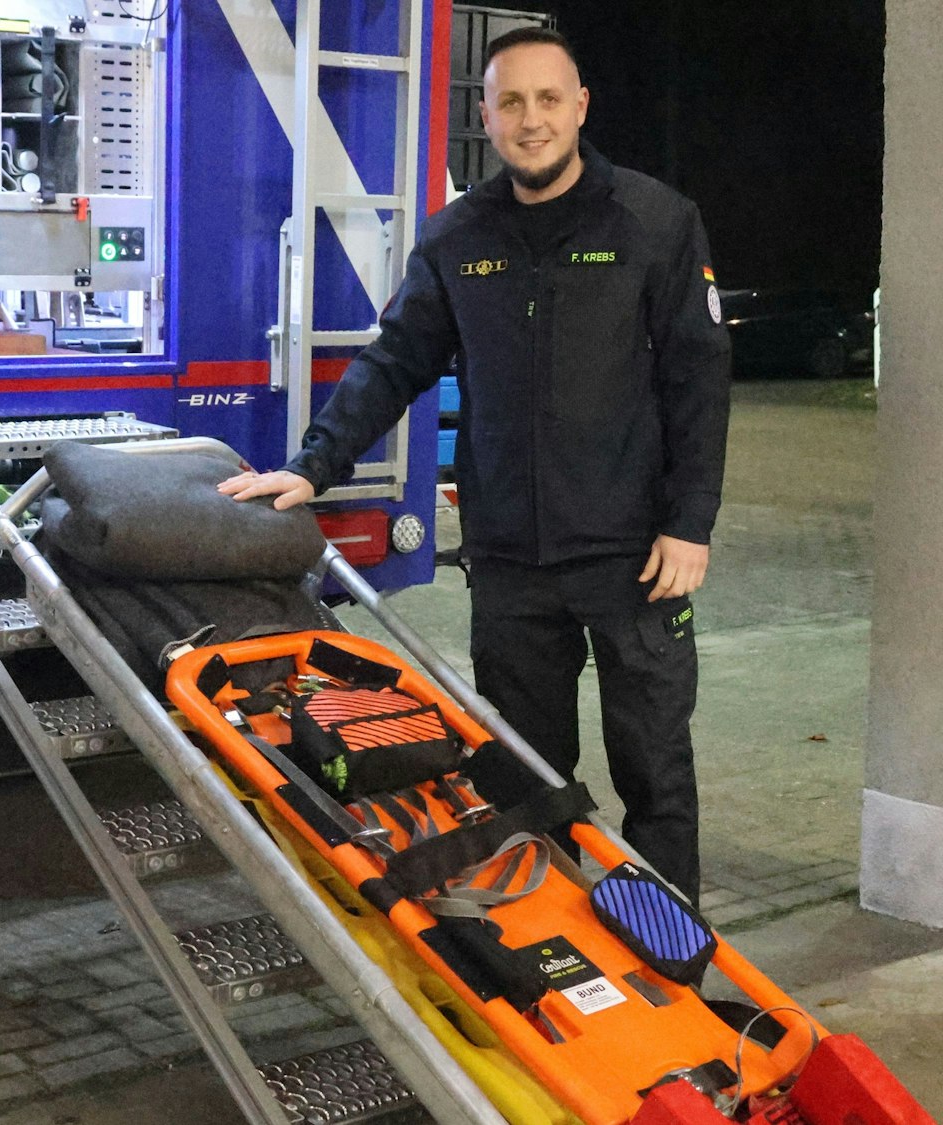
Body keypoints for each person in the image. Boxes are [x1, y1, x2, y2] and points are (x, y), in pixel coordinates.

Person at [220, 27, 730, 898]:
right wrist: (314, 466)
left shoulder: (655, 222)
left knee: (655, 776)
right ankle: (556, 947)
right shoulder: (459, 236)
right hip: (510, 567)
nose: (530, 120)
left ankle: (673, 955)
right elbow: (395, 359)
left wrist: (689, 524)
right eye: (510, 103)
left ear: (579, 108)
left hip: (634, 559)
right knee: (522, 779)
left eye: (547, 99)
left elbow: (698, 379)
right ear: (485, 117)